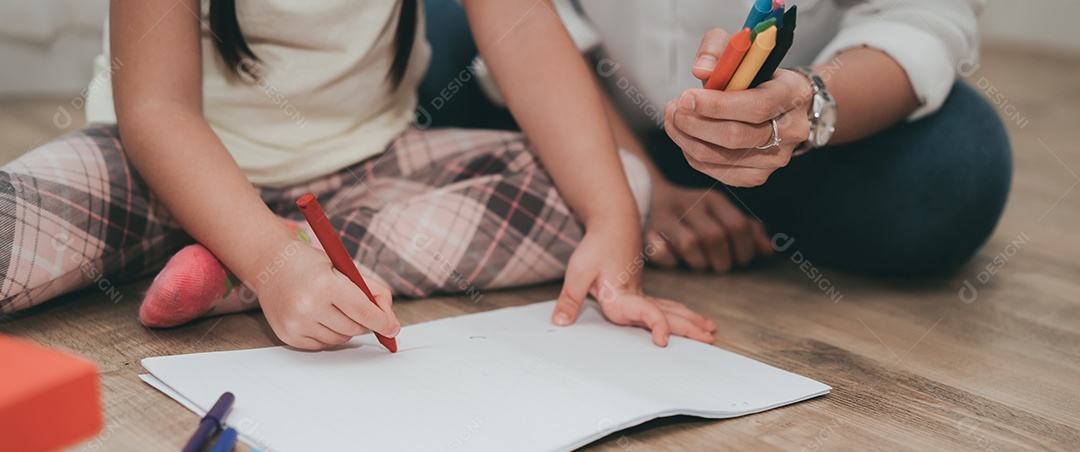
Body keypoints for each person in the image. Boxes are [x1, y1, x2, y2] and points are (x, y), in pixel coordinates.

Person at [0, 0, 715, 349]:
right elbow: (155, 107)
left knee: (619, 187)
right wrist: (276, 260)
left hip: (362, 170)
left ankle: (244, 270)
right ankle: (260, 260)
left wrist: (614, 226)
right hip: (157, 168)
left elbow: (524, 30)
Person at [419, 0, 1012, 278]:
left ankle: (705, 188)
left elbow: (922, 15)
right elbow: (519, 18)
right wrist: (627, 181)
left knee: (955, 169)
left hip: (803, 124)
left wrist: (809, 106)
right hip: (584, 97)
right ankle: (616, 185)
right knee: (435, 37)